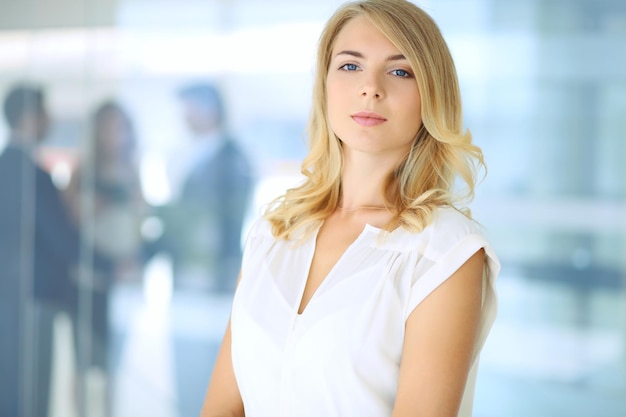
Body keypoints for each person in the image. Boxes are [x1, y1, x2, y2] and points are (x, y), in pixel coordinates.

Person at [200, 1, 499, 417]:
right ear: (324, 84)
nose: (370, 88)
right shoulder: (273, 232)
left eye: (400, 71)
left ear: (431, 93)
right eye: (350, 66)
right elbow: (222, 408)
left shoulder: (445, 251)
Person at [0, 83, 114, 417]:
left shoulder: (5, 167)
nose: (50, 120)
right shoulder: (32, 175)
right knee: (30, 389)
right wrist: (108, 266)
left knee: (8, 383)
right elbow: (61, 239)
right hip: (33, 297)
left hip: (10, 295)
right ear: (31, 117)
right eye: (45, 112)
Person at [63, 100, 150, 416]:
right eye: (108, 126)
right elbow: (69, 223)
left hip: (123, 279)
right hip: (89, 279)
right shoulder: (81, 171)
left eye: (120, 126)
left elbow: (142, 224)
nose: (115, 134)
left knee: (114, 362)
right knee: (84, 360)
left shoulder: (134, 171)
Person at [161, 82, 253, 293]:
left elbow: (226, 218)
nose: (185, 115)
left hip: (212, 270)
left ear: (211, 111)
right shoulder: (192, 152)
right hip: (188, 263)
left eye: (190, 108)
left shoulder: (231, 159)